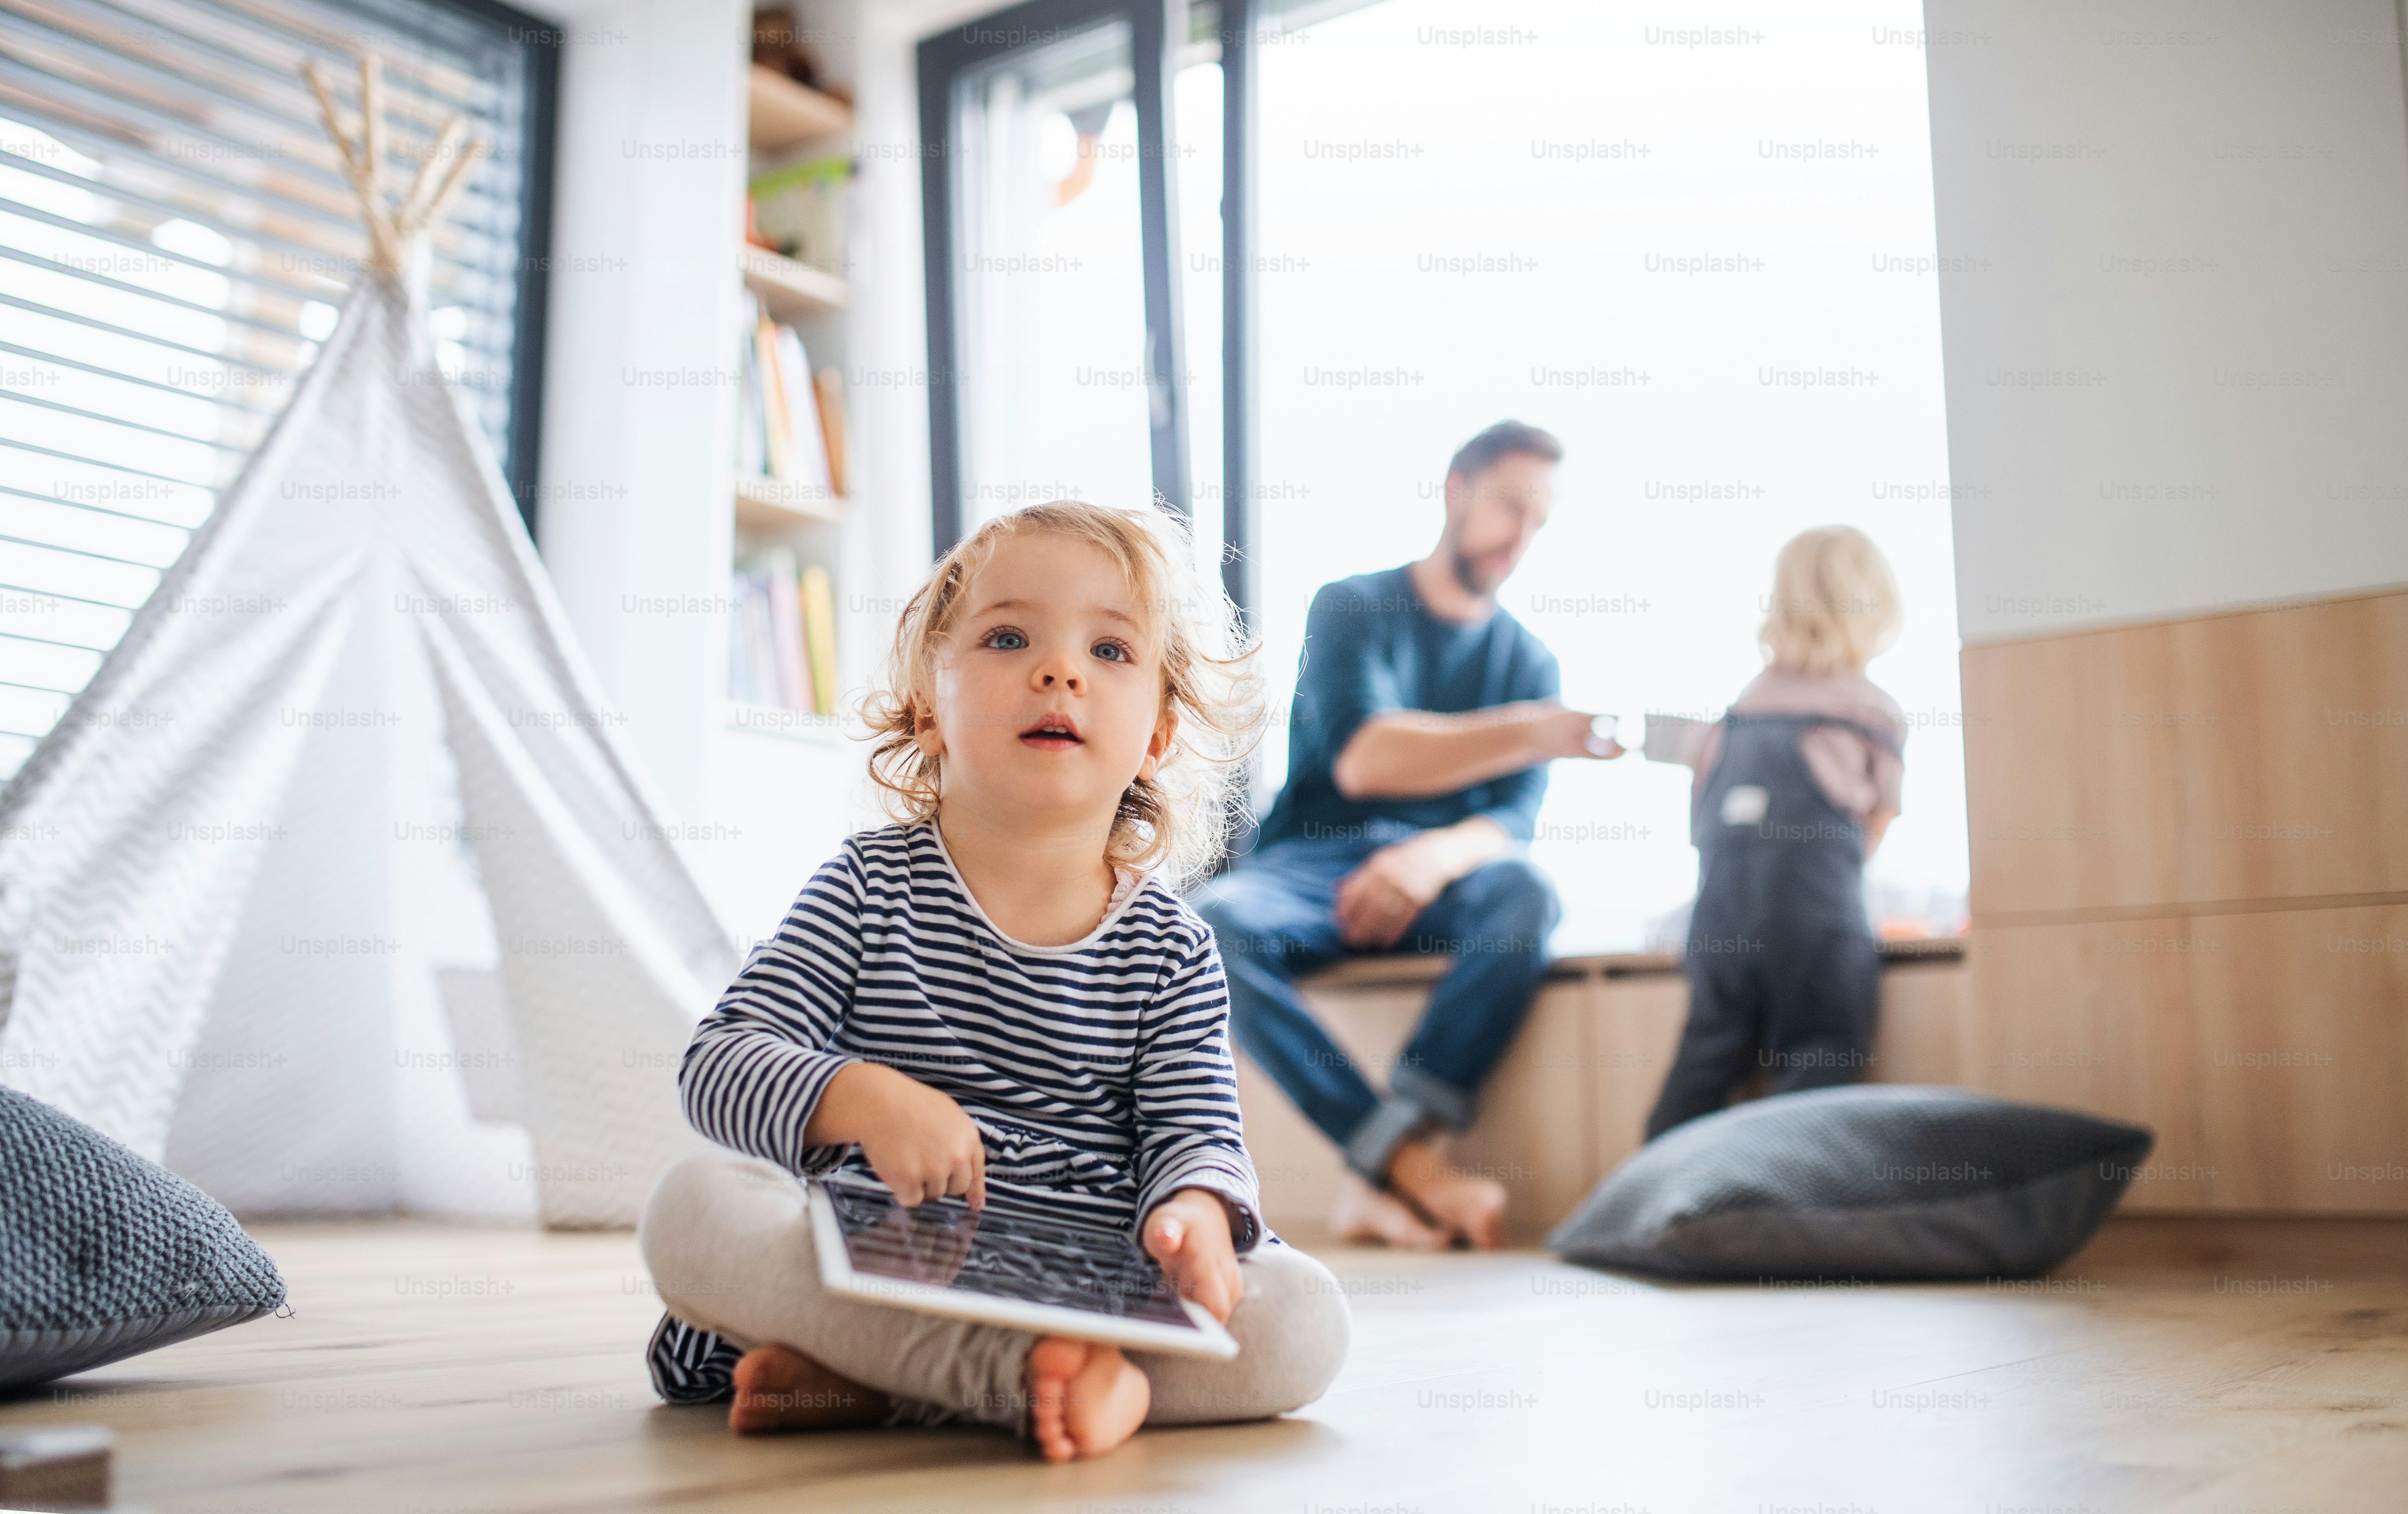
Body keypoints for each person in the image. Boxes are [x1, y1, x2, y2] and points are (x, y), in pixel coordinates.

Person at [636, 502, 1350, 1462]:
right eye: (1008, 638)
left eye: (1109, 650)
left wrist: (1194, 1213)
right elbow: (720, 1064)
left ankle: (878, 1378)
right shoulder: (865, 887)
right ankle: (1012, 1381)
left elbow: (1197, 1134)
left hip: (1088, 1280)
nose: (1059, 671)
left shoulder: (1173, 948)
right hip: (879, 1253)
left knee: (1305, 1317)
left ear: (1157, 735)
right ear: (928, 709)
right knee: (694, 1207)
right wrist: (863, 1097)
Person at [1193, 421, 1620, 1251]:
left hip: (1445, 877)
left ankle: (1377, 1169)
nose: (1521, 536)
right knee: (1211, 925)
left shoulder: (1530, 661)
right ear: (1457, 490)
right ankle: (1413, 1168)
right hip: (1311, 866)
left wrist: (1429, 857)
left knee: (1526, 895)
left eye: (1539, 519)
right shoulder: (1352, 606)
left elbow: (1512, 824)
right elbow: (1364, 758)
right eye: (1511, 506)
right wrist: (1536, 730)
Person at [1644, 525, 1909, 1140]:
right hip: (1814, 925)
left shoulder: (1736, 712)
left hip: (1720, 923)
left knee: (1703, 1066)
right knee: (1820, 1062)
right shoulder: (1869, 710)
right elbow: (1878, 822)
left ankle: (1644, 1189)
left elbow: (1700, 823)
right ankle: (1785, 1194)